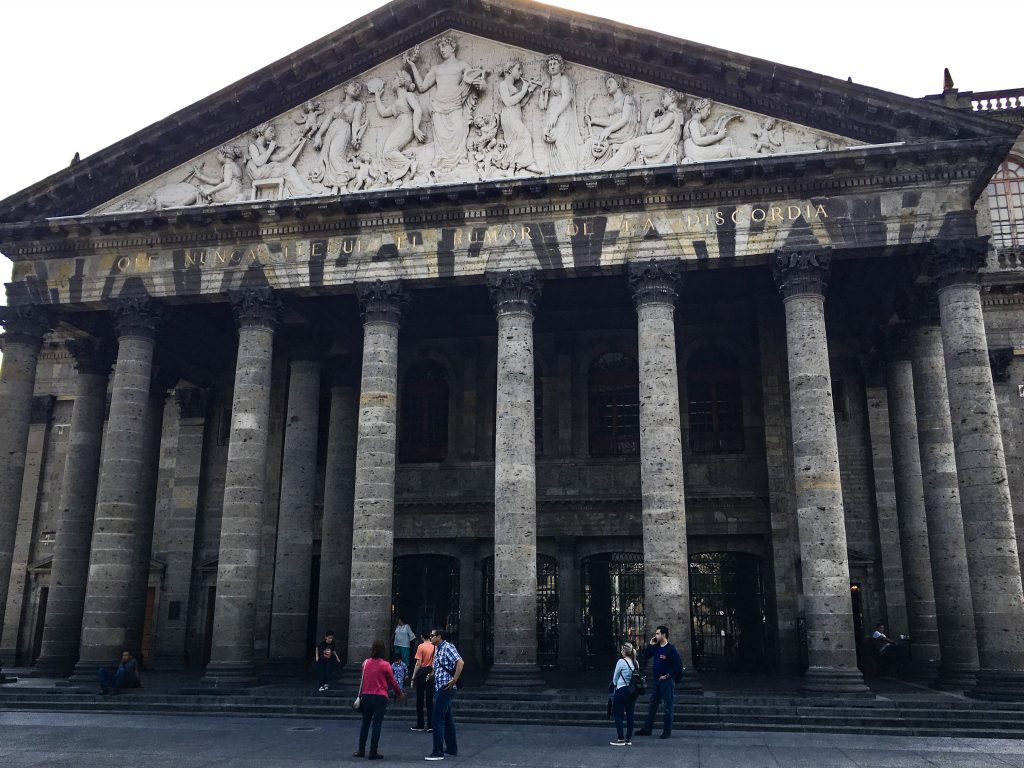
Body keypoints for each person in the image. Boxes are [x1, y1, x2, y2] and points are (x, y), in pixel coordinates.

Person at [404, 35, 486, 173]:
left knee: (459, 129)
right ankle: (441, 156)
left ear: (452, 47)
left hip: (455, 103)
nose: (441, 50)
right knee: (441, 135)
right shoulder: (437, 69)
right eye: (439, 47)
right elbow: (422, 87)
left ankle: (460, 156)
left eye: (444, 46)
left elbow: (474, 79)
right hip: (439, 105)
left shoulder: (462, 65)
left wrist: (481, 84)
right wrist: (413, 66)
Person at [603, 88, 685, 171]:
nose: (661, 100)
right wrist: (652, 115)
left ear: (672, 99)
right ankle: (613, 165)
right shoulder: (666, 114)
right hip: (659, 138)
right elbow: (649, 130)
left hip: (662, 138)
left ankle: (610, 166)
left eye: (664, 97)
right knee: (630, 144)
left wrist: (656, 121)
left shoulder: (672, 114)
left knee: (630, 144)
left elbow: (654, 130)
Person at [354, 639, 406, 760]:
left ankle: (361, 750)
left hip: (366, 696)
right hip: (380, 697)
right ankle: (373, 751)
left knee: (365, 724)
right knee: (376, 725)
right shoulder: (385, 665)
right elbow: (392, 682)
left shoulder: (365, 663)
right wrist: (399, 693)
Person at [635, 625, 682, 739]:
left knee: (668, 706)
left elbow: (678, 666)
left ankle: (667, 731)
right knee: (652, 705)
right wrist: (650, 645)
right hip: (657, 682)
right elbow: (645, 656)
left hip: (667, 682)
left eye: (657, 633)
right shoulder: (656, 647)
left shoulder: (671, 649)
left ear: (663, 635)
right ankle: (647, 729)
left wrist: (667, 675)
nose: (655, 635)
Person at [424, 628, 463, 761]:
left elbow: (460, 662)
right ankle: (451, 748)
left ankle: (437, 751)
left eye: (432, 635)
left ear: (439, 636)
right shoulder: (438, 649)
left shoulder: (447, 647)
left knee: (437, 718)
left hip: (446, 687)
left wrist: (455, 680)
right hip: (441, 685)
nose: (430, 637)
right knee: (447, 719)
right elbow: (440, 667)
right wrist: (432, 675)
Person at [609, 641, 640, 746]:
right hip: (632, 691)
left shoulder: (621, 662)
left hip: (622, 690)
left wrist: (615, 684)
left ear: (623, 651)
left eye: (621, 650)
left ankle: (620, 738)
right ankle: (628, 738)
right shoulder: (635, 662)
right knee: (630, 714)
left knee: (618, 714)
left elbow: (615, 679)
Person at [410, 630, 436, 732]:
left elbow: (418, 663)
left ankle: (420, 724)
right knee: (429, 700)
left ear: (421, 636)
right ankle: (430, 724)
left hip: (421, 673)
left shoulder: (421, 646)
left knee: (420, 700)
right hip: (430, 672)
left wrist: (413, 677)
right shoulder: (434, 646)